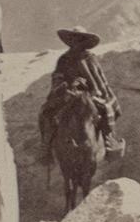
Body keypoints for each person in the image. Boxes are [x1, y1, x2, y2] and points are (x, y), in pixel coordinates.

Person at [38, 26, 122, 163]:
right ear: (70, 41)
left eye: (79, 39)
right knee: (45, 112)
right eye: (73, 39)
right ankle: (46, 147)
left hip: (90, 95)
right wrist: (69, 84)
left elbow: (99, 80)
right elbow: (57, 78)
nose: (76, 42)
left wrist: (91, 88)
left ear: (84, 41)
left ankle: (110, 143)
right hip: (67, 94)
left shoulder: (90, 58)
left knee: (107, 108)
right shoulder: (63, 59)